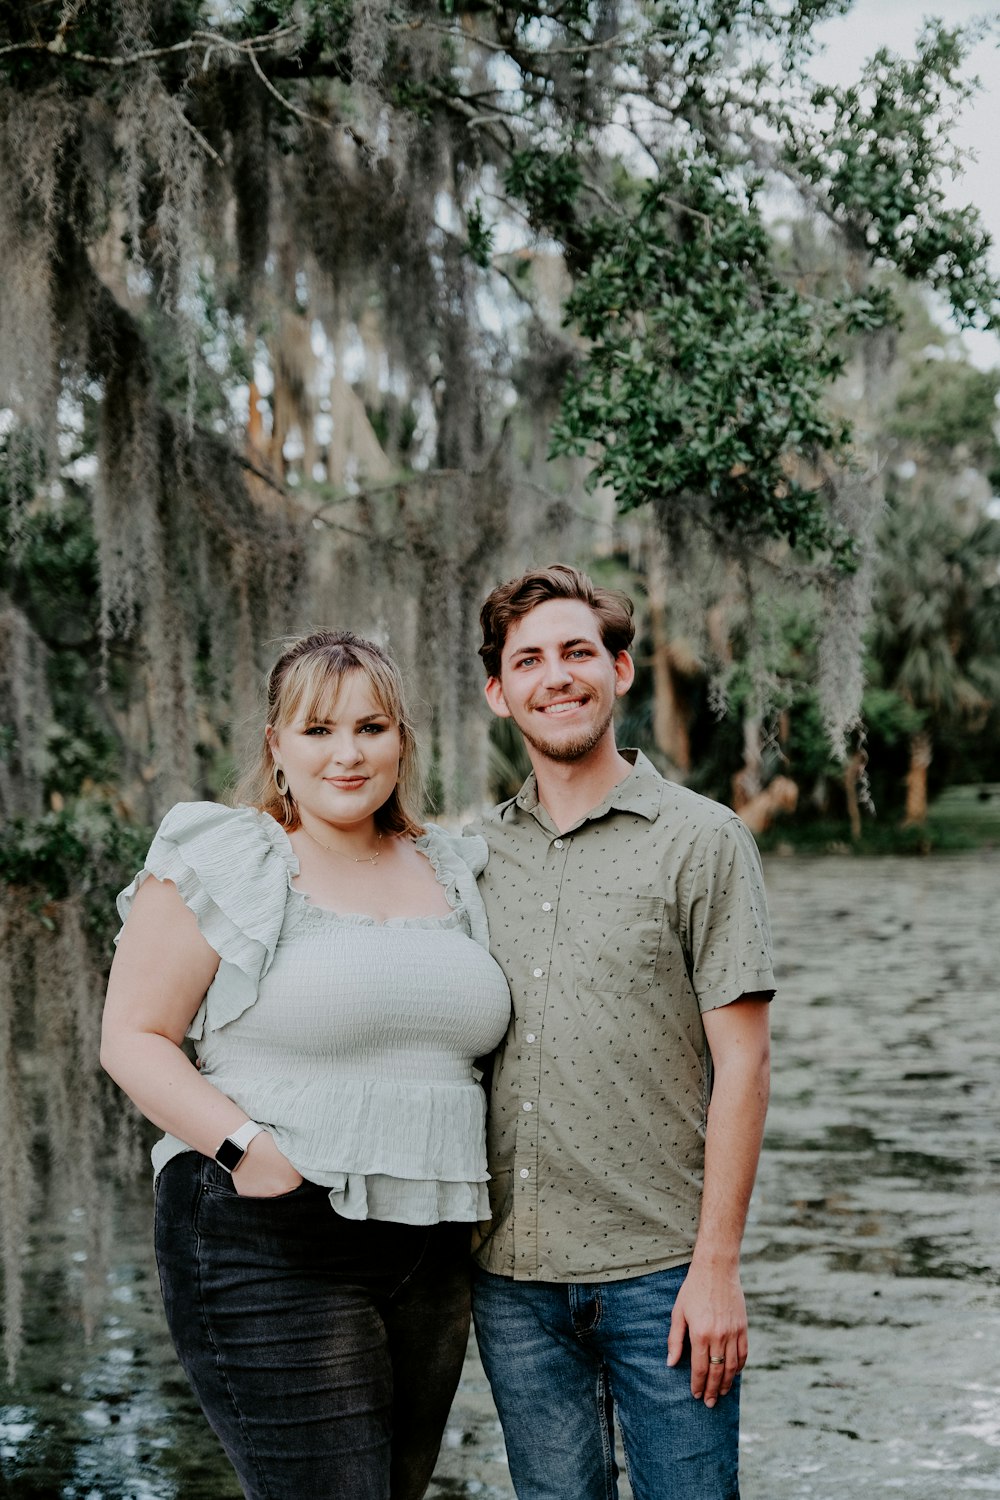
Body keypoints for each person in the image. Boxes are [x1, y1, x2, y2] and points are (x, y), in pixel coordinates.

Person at [101, 630, 511, 1500]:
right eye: (318, 729)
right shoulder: (228, 857)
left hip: (431, 1245)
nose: (349, 753)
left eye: (372, 726)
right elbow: (132, 1036)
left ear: (403, 739)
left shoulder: (450, 866)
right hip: (274, 1233)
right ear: (275, 746)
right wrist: (248, 1151)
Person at [468, 565, 774, 1500]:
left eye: (576, 653)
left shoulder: (703, 839)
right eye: (530, 661)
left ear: (621, 670)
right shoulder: (471, 857)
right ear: (498, 691)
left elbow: (744, 1061)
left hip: (663, 1281)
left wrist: (716, 1268)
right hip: (510, 1284)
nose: (556, 677)